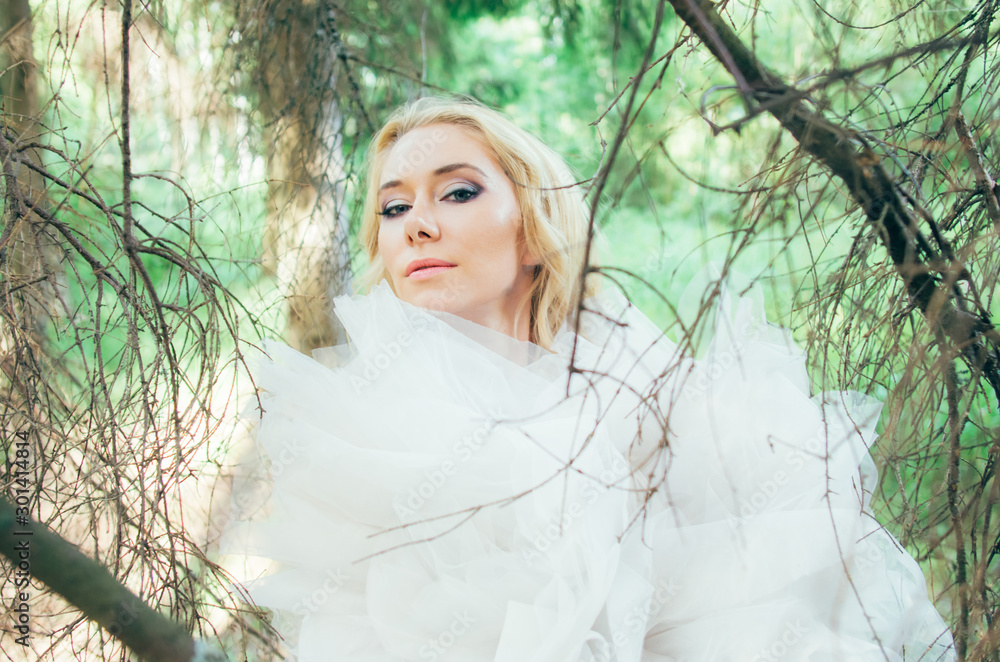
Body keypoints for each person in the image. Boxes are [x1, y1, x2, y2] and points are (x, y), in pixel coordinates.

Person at [223, 96, 956, 661]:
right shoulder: (362, 435)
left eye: (457, 193)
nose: (416, 224)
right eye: (393, 206)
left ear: (532, 226)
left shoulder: (649, 385)